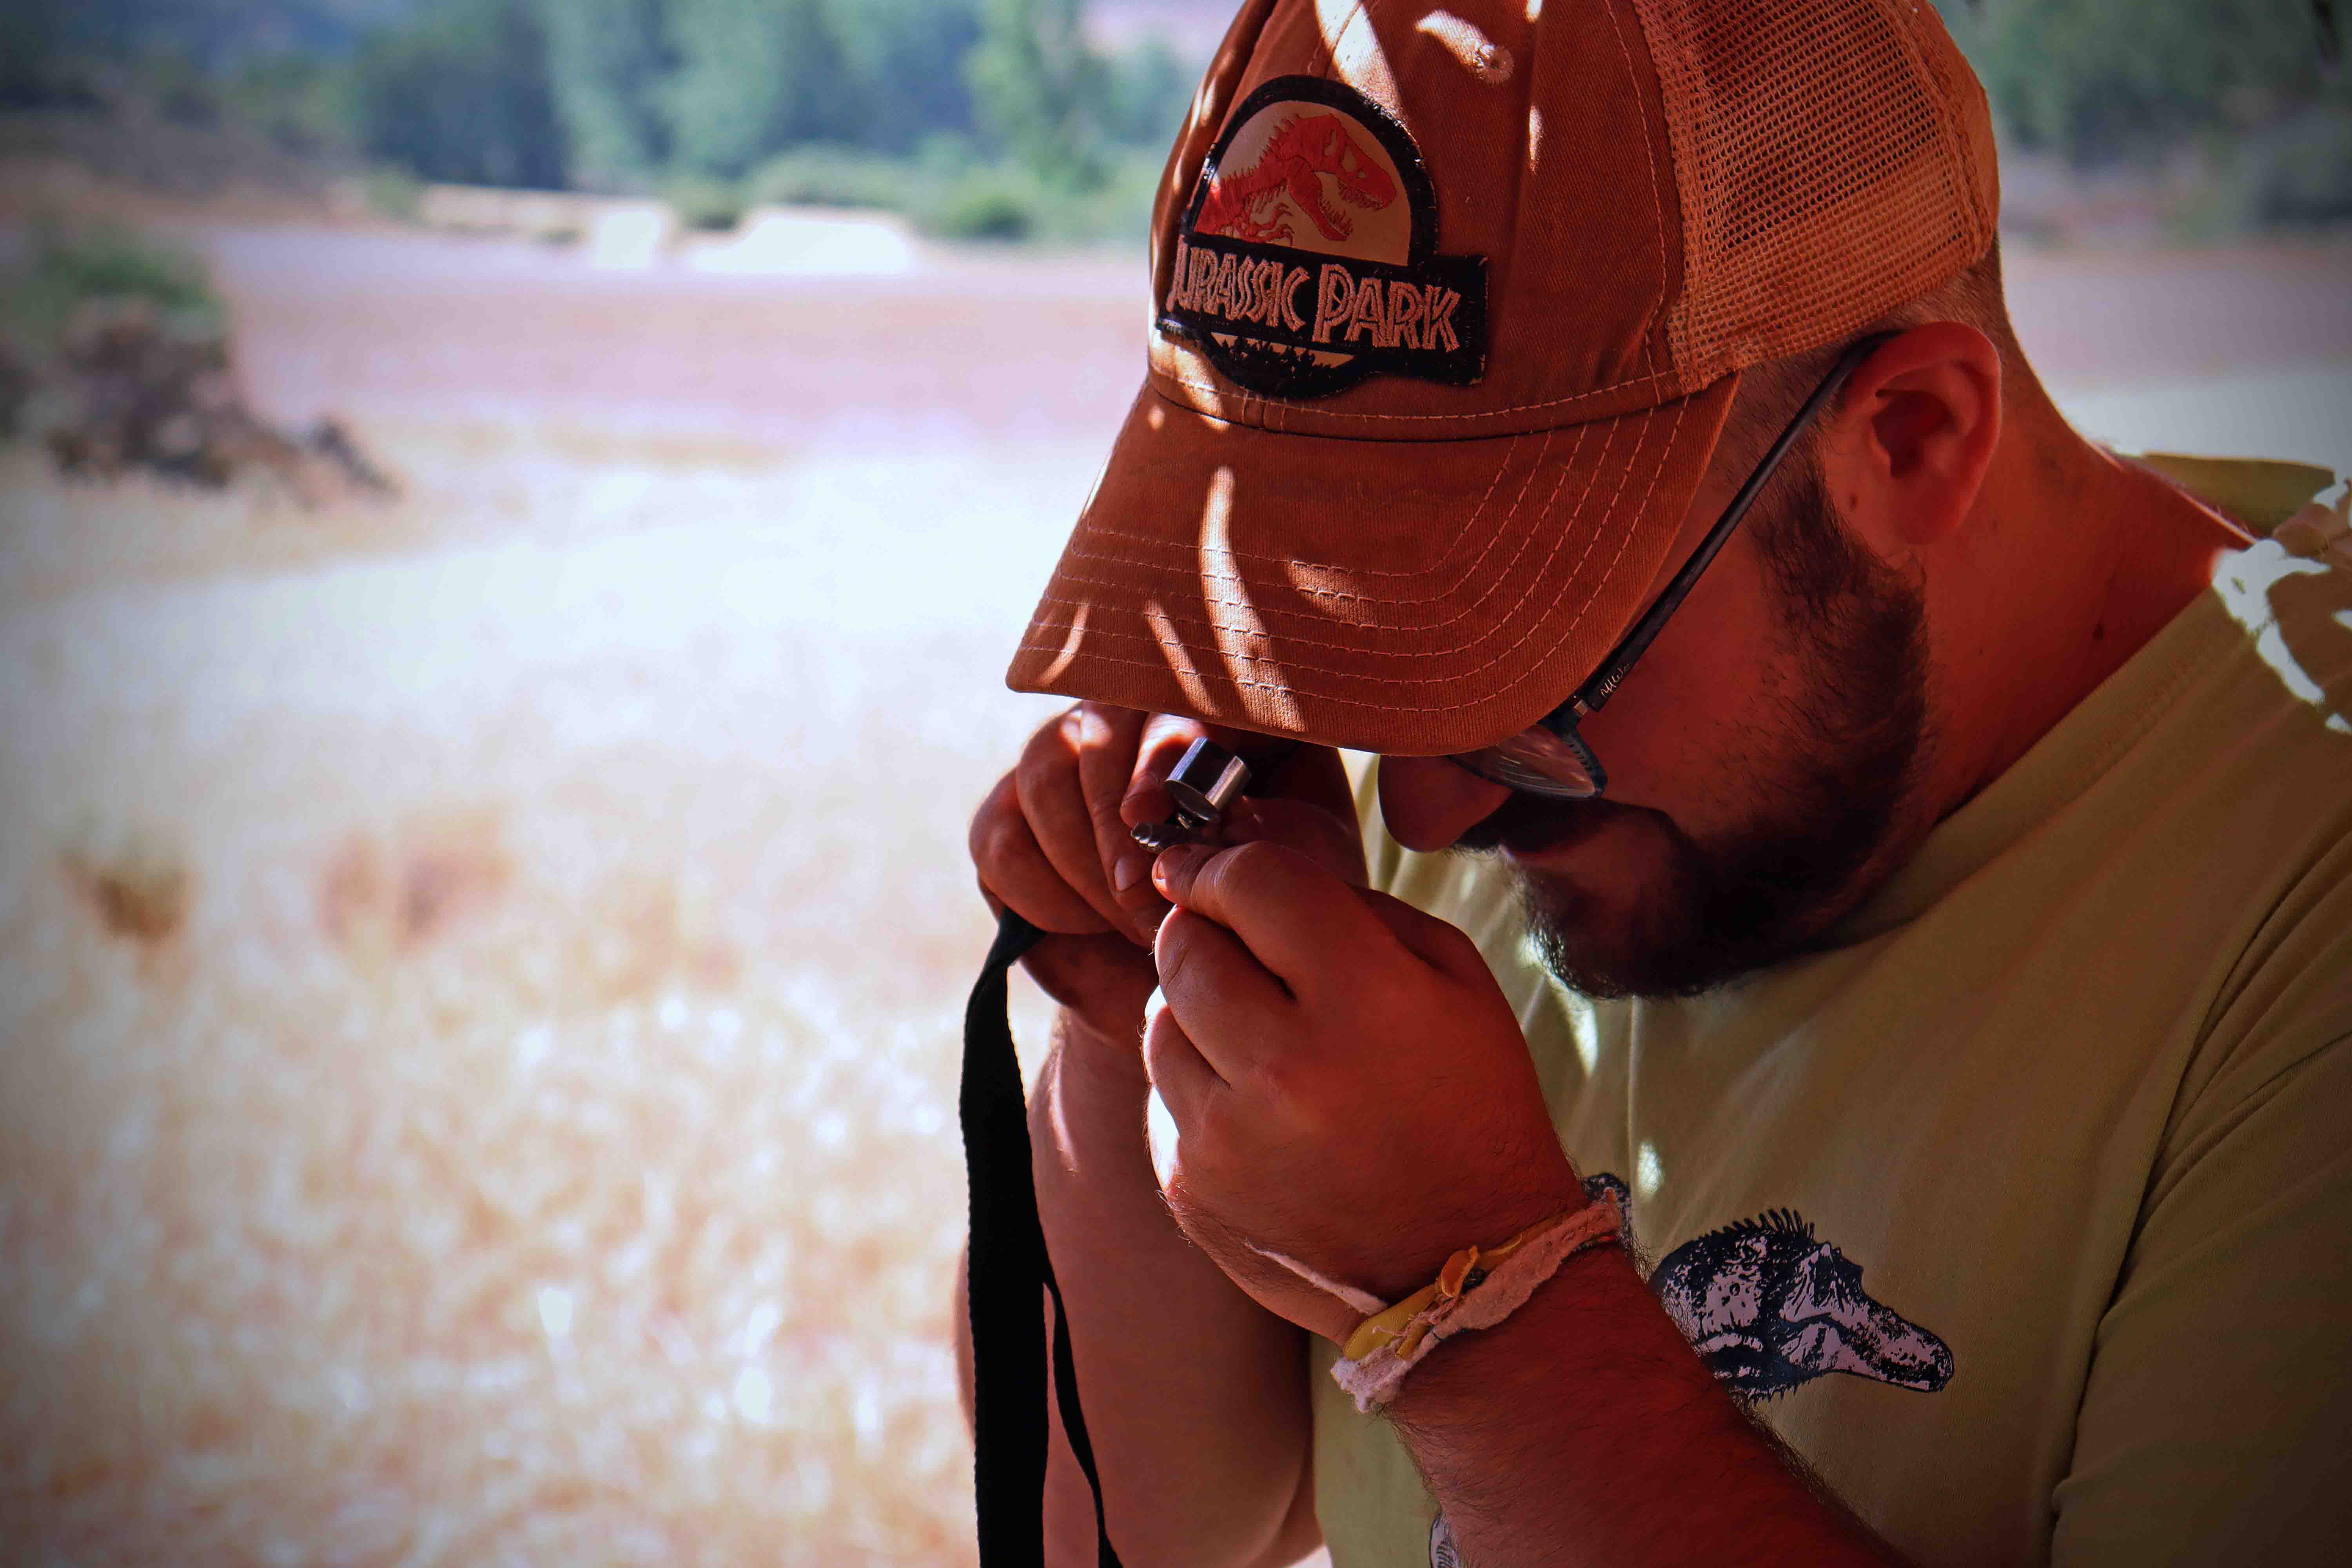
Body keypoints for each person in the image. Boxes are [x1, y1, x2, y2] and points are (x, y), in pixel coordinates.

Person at [960, 2, 2352, 1563]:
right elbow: (1117, 1533)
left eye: (1531, 662)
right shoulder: (1513, 785)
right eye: (1368, 649)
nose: (1425, 815)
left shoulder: (2302, 892)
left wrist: (1479, 1307)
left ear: (1909, 437)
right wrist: (1149, 991)